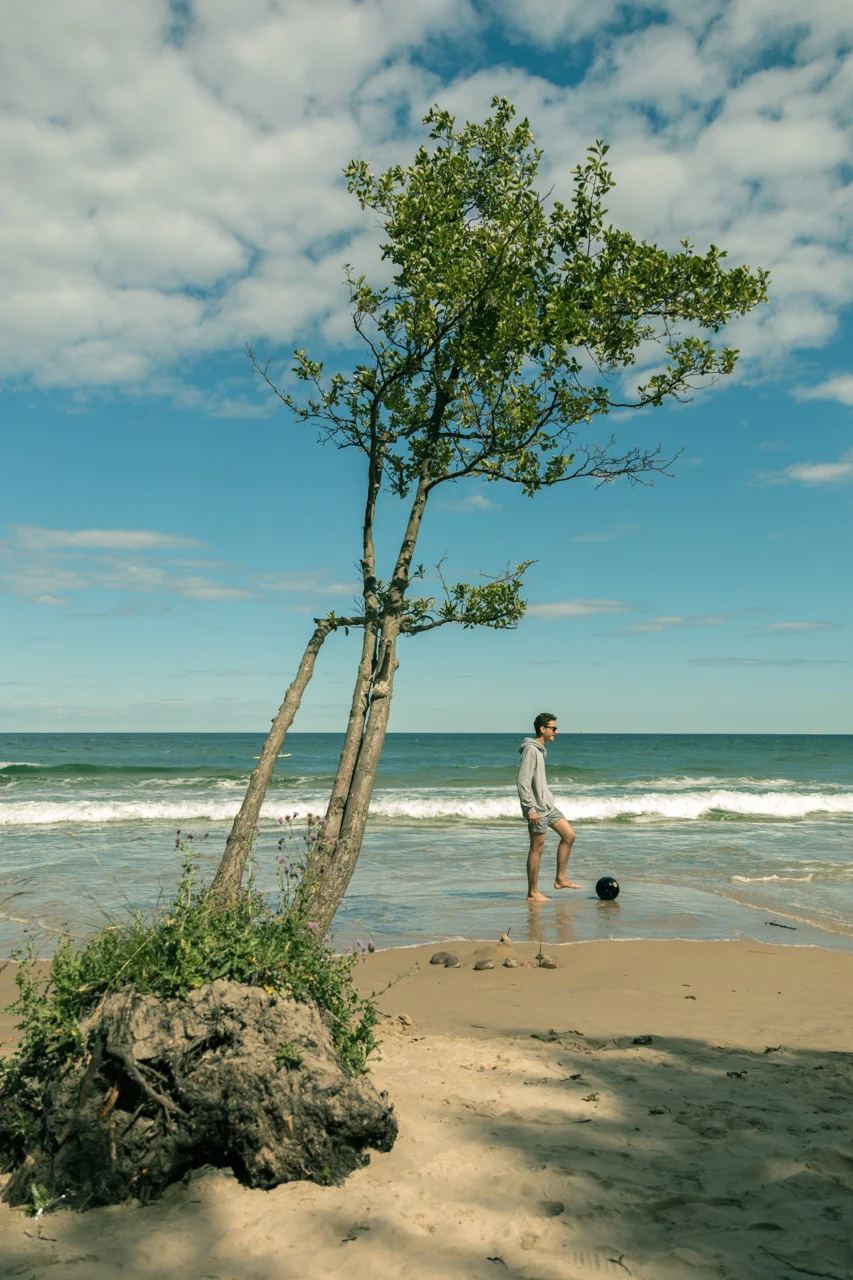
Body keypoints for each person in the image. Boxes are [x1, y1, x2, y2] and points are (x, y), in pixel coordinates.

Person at [517, 712, 580, 901]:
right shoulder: (531, 750)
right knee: (537, 849)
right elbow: (523, 782)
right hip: (536, 808)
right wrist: (530, 808)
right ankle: (533, 892)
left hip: (548, 806)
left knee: (569, 836)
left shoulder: (540, 750)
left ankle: (560, 879)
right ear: (542, 729)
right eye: (553, 728)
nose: (556, 732)